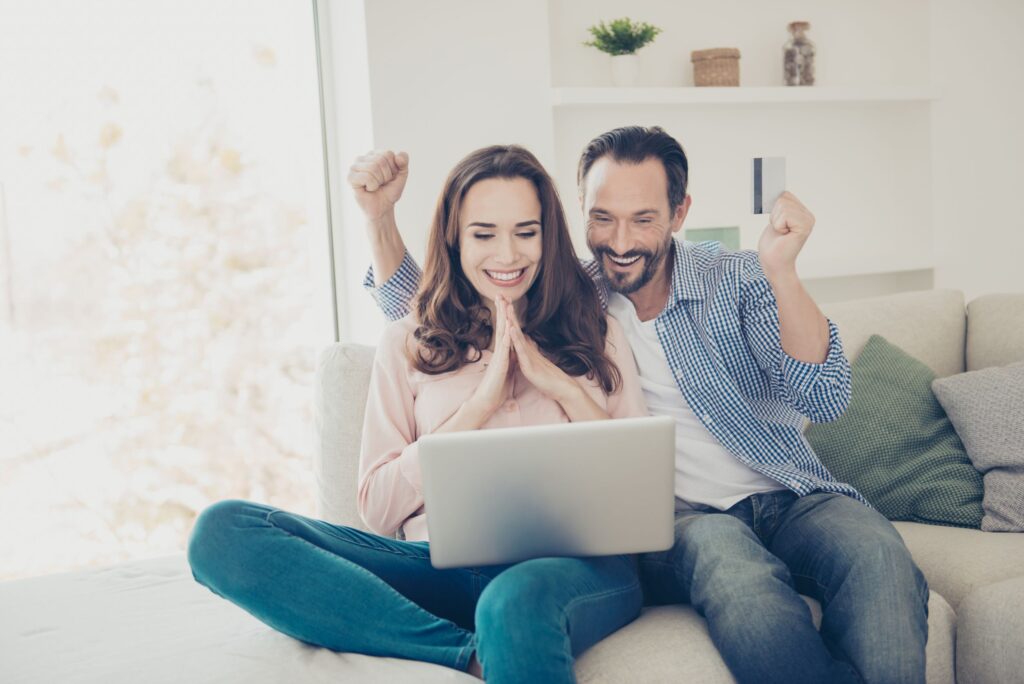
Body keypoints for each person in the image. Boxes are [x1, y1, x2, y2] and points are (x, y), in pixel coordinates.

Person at [360, 126, 931, 684]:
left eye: (643, 219)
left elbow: (825, 397)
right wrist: (380, 220)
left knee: (879, 555)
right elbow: (447, 301)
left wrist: (782, 273)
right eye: (602, 218)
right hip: (684, 520)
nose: (621, 241)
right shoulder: (573, 295)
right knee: (737, 576)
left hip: (789, 493)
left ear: (679, 214)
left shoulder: (737, 277)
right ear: (580, 211)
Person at [187, 144, 650, 684]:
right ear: (454, 237)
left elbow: (639, 491)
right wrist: (475, 410)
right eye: (484, 234)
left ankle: (502, 632)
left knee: (513, 600)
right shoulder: (408, 341)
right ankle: (469, 654)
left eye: (526, 232)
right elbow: (377, 508)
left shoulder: (596, 329)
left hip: (576, 570)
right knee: (222, 532)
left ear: (548, 237)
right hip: (438, 566)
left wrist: (561, 387)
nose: (508, 254)